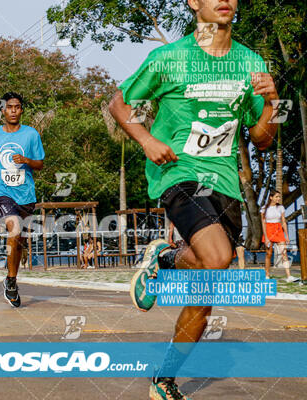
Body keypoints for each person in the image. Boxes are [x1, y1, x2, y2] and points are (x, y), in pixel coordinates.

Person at [109, 0, 278, 397]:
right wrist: (147, 139)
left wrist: (272, 103)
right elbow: (120, 102)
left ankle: (164, 378)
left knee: (208, 279)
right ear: (193, 2)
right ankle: (165, 261)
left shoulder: (250, 63)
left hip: (225, 184)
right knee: (218, 259)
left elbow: (263, 139)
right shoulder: (169, 57)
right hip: (178, 173)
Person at [0, 91, 45, 308]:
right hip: (2, 191)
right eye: (9, 107)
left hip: (26, 195)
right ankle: (12, 283)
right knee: (13, 228)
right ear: (2, 111)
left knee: (19, 244)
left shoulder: (31, 134)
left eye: (17, 107)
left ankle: (10, 279)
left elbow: (40, 164)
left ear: (21, 110)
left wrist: (26, 160)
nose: (13, 111)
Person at [261, 190, 298, 282]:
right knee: (268, 254)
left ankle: (289, 276)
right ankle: (267, 275)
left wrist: (287, 236)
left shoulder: (281, 208)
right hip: (268, 231)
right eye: (276, 197)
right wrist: (266, 237)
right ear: (271, 197)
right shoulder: (264, 209)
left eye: (279, 197)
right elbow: (263, 223)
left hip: (278, 230)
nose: (278, 198)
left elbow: (283, 222)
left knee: (284, 253)